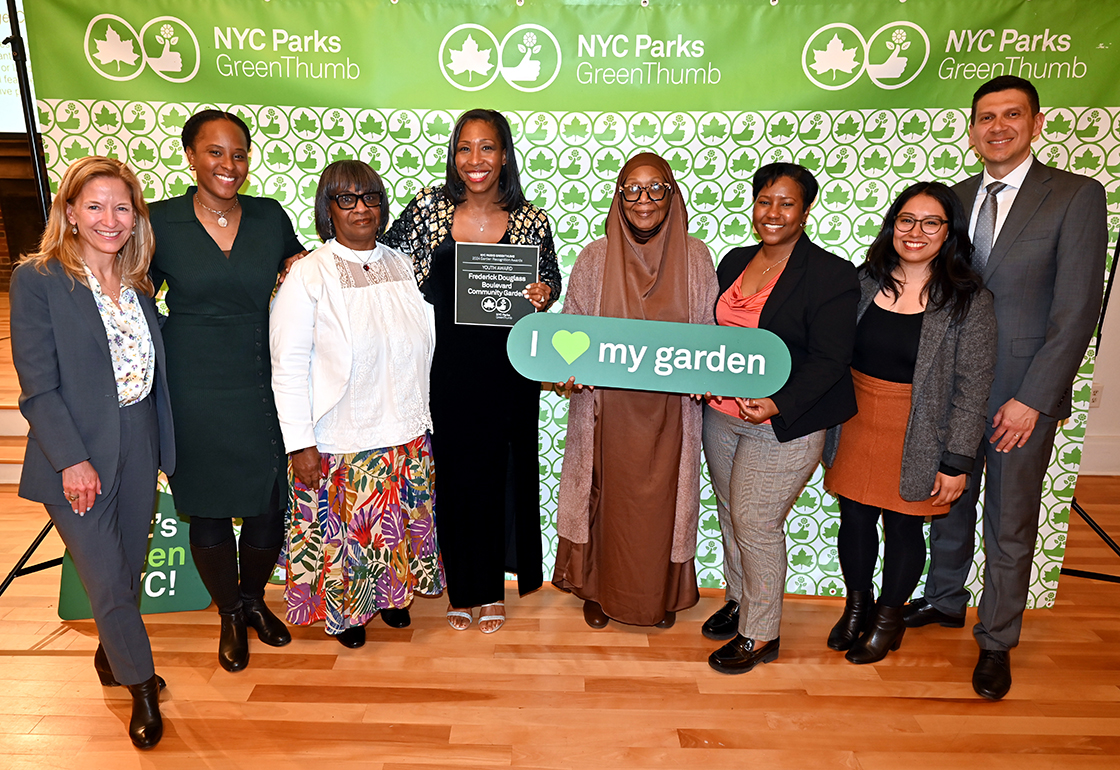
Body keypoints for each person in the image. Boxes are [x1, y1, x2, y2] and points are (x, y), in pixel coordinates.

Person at [901, 76, 1107, 700]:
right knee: (948, 503)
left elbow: (1076, 310)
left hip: (1023, 394)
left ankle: (997, 640)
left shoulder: (1075, 196)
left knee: (1010, 522)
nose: (998, 127)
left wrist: (1034, 398)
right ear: (971, 131)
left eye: (1011, 115)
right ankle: (943, 601)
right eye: (985, 117)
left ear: (1036, 123)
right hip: (953, 389)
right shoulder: (954, 200)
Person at [11, 156, 175, 748]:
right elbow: (38, 385)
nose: (110, 218)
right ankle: (141, 686)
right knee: (106, 578)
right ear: (71, 213)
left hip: (138, 440)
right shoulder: (39, 279)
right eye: (96, 206)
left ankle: (113, 655)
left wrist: (155, 445)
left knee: (127, 566)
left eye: (122, 207)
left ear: (136, 218)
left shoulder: (137, 281)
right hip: (75, 452)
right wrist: (71, 459)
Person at [381, 109, 561, 633]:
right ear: (453, 155)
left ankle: (492, 590)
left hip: (509, 373)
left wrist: (542, 293)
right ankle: (464, 586)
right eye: (464, 148)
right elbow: (384, 260)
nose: (475, 160)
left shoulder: (532, 221)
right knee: (454, 477)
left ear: (504, 154)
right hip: (444, 370)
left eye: (487, 148)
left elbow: (547, 280)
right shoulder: (428, 209)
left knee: (500, 477)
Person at [149, 109, 307, 671]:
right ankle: (228, 614)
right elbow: (135, 299)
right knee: (209, 506)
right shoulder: (157, 220)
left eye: (239, 153)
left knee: (269, 502)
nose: (229, 165)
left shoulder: (269, 216)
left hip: (261, 373)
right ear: (190, 155)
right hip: (191, 378)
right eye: (215, 152)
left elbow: (301, 272)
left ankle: (253, 600)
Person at [270, 160, 445, 648]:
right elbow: (287, 365)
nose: (361, 208)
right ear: (328, 210)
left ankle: (390, 598)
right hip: (341, 436)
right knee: (349, 537)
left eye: (370, 197)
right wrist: (299, 443)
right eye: (346, 199)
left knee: (393, 531)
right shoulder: (309, 274)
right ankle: (347, 613)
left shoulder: (402, 264)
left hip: (405, 430)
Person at [822, 182, 996, 664]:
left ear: (949, 232)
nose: (915, 231)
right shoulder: (861, 283)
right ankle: (856, 608)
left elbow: (972, 388)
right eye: (906, 220)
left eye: (931, 222)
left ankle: (888, 618)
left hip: (922, 431)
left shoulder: (969, 301)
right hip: (856, 420)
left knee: (903, 527)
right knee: (854, 519)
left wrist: (957, 460)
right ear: (892, 225)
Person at [701, 163, 859, 674]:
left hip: (785, 423)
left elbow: (831, 360)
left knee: (756, 521)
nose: (773, 213)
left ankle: (760, 633)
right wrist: (703, 371)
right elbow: (718, 336)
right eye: (765, 201)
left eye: (786, 203)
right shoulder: (734, 261)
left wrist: (777, 402)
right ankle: (740, 598)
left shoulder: (831, 274)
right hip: (723, 417)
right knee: (730, 512)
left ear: (806, 210)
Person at [551, 152, 718, 629]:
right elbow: (571, 334)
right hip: (606, 411)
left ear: (672, 194)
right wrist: (566, 372)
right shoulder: (594, 257)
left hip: (670, 415)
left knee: (664, 505)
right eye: (632, 189)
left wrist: (707, 375)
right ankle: (597, 591)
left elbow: (707, 333)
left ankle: (658, 594)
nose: (643, 200)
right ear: (619, 195)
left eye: (655, 188)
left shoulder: (697, 256)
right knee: (601, 498)